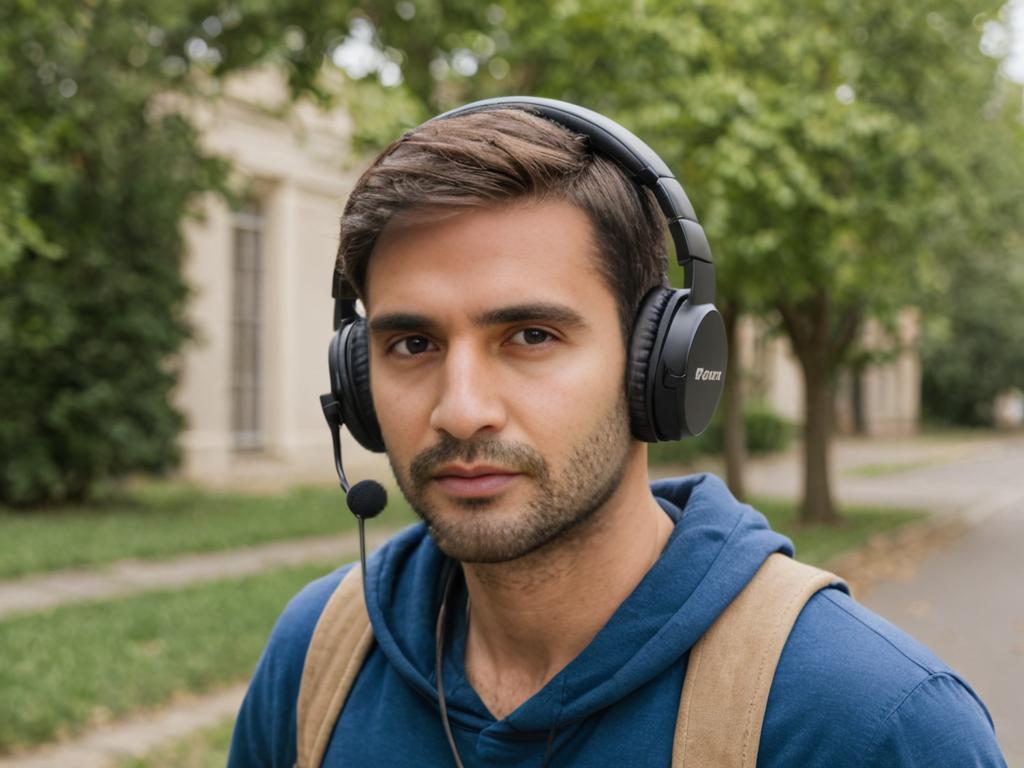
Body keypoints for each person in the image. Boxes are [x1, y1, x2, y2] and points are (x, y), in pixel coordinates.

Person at [227, 99, 1006, 767]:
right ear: (358, 382)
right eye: (413, 345)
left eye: (530, 336)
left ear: (659, 364)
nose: (461, 410)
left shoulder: (871, 722)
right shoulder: (317, 659)